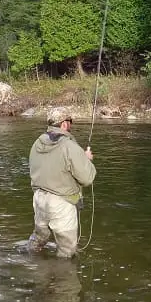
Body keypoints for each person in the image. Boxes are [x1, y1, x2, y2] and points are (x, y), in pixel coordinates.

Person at [26, 107, 96, 258]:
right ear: (64, 124)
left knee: (39, 238)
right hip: (61, 204)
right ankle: (63, 278)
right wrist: (86, 160)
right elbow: (87, 178)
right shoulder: (70, 146)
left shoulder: (37, 143)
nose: (71, 125)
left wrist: (79, 157)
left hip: (39, 199)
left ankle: (33, 268)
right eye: (70, 121)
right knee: (66, 250)